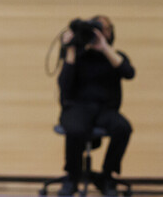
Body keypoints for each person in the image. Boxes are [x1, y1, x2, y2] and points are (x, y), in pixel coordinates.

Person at [57, 16, 134, 197]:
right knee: (75, 129)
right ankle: (73, 177)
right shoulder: (78, 56)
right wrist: (70, 49)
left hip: (105, 110)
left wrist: (104, 47)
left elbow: (129, 73)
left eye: (104, 29)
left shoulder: (115, 56)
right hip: (77, 107)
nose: (99, 33)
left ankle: (107, 177)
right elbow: (64, 85)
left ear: (110, 33)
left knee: (123, 128)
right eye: (95, 29)